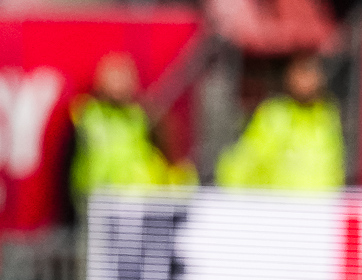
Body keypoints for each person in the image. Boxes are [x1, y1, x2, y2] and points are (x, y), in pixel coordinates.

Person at [216, 54, 345, 191]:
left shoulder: (327, 115)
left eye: (312, 71)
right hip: (278, 207)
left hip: (321, 209)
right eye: (302, 72)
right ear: (289, 75)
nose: (307, 80)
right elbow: (243, 164)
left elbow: (334, 169)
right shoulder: (274, 115)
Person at [70, 52, 192, 196]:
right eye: (113, 77)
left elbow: (170, 159)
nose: (117, 84)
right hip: (97, 199)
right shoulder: (86, 115)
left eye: (122, 77)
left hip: (140, 201)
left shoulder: (146, 116)